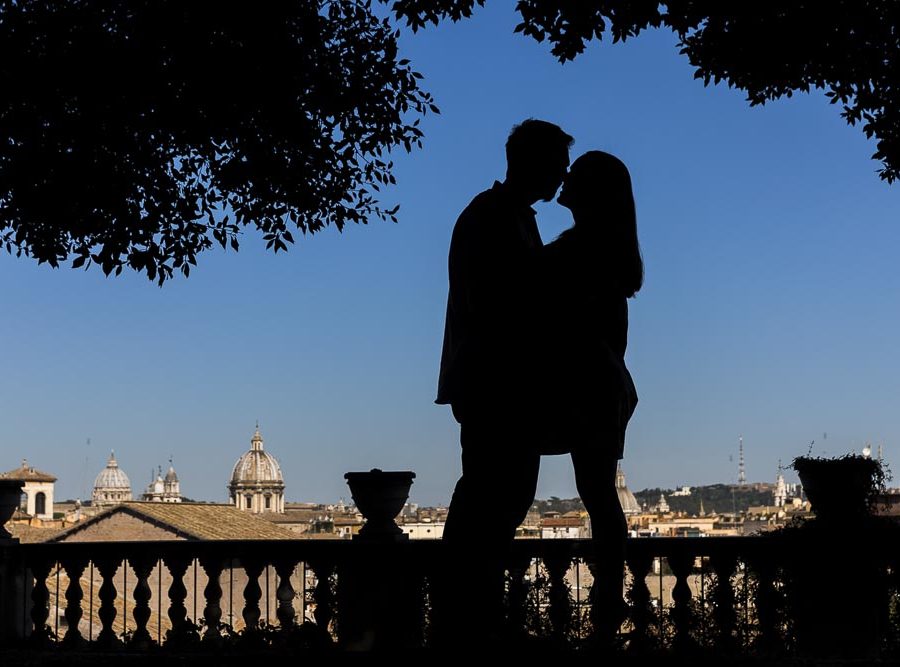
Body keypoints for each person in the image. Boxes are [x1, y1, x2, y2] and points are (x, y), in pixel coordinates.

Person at [436, 119, 573, 639]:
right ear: (532, 162)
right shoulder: (492, 218)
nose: (562, 175)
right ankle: (468, 621)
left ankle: (468, 615)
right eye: (557, 164)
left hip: (497, 382)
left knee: (498, 498)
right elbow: (505, 303)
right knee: (492, 499)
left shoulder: (504, 216)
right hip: (498, 383)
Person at [541, 150, 643, 643]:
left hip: (590, 384)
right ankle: (608, 600)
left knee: (599, 496)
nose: (565, 178)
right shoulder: (608, 250)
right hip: (604, 384)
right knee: (599, 495)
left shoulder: (581, 250)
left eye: (574, 175)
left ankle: (607, 603)